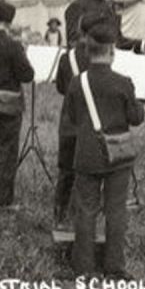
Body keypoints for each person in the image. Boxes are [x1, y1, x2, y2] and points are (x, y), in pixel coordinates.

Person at [62, 24, 145, 279]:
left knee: (85, 210)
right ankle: (114, 267)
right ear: (112, 50)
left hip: (86, 154)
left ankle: (83, 268)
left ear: (88, 51)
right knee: (116, 210)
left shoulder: (78, 82)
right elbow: (135, 117)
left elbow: (73, 117)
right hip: (117, 155)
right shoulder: (123, 82)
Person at [0, 0, 35, 208]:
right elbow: (27, 75)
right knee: (8, 153)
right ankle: (3, 201)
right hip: (9, 105)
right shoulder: (13, 45)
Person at [53, 13, 105, 228]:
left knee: (66, 172)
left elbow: (60, 87)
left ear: (80, 29)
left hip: (69, 123)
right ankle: (84, 217)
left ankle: (59, 215)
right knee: (89, 175)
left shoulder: (67, 58)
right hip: (93, 125)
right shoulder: (102, 57)